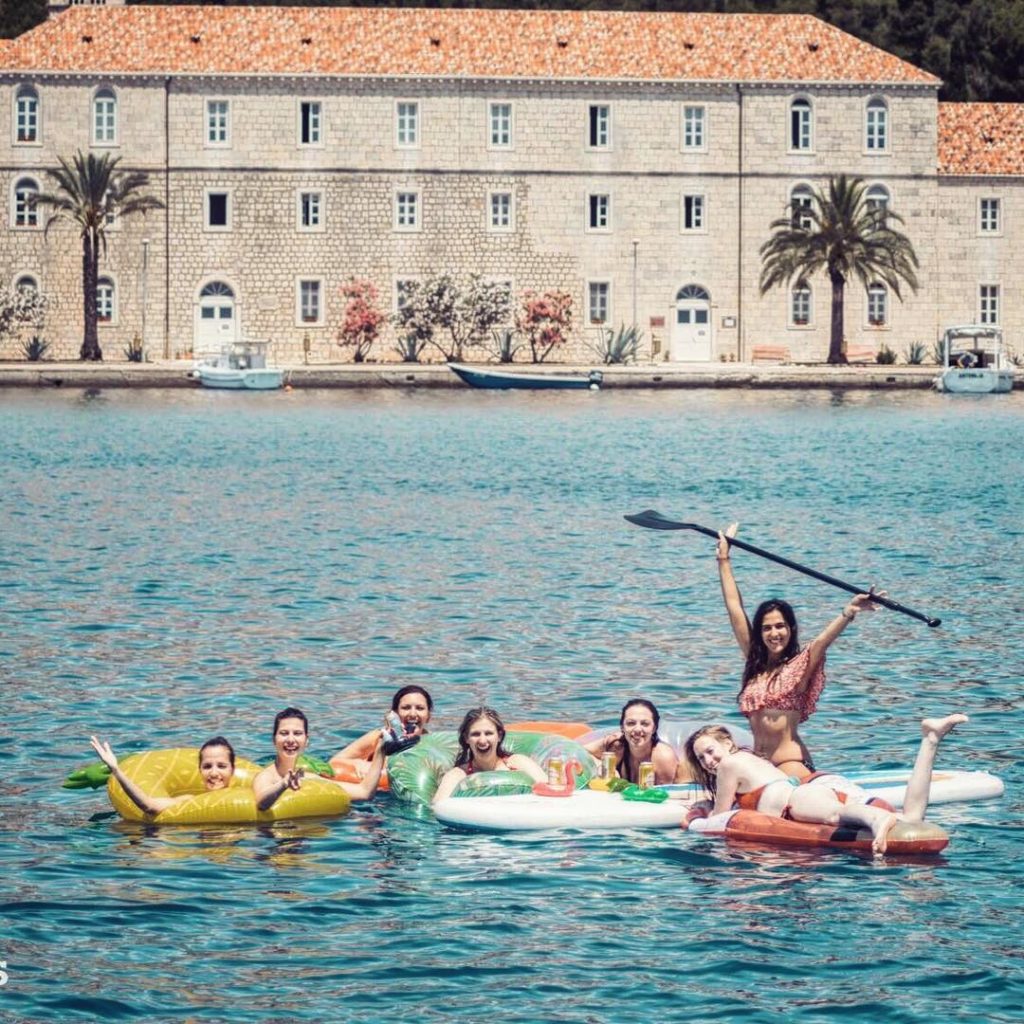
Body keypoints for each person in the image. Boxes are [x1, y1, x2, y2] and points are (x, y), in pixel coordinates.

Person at [717, 522, 883, 778]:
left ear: (791, 629)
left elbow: (821, 642)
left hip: (791, 764)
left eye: (781, 626)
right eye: (767, 628)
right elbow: (734, 607)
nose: (775, 633)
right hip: (759, 766)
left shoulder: (800, 666)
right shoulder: (755, 665)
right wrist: (724, 559)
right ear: (760, 634)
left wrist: (848, 612)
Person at [683, 713, 967, 854]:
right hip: (809, 794)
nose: (708, 760)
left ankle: (876, 819)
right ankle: (930, 740)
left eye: (710, 751)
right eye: (701, 758)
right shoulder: (750, 760)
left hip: (798, 800)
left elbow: (719, 818)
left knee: (835, 814)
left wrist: (697, 813)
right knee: (911, 818)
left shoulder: (730, 765)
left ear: (728, 743)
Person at [253, 707, 385, 811]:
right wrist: (283, 785)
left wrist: (380, 751)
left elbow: (364, 793)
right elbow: (261, 803)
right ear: (274, 739)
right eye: (284, 733)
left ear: (306, 740)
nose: (291, 740)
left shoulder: (310, 778)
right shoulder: (266, 776)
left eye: (298, 733)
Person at [89, 735, 236, 816]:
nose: (214, 773)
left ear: (232, 770)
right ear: (200, 770)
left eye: (221, 766)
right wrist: (116, 770)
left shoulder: (250, 796)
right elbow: (149, 805)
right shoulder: (190, 802)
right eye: (207, 766)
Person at [433, 707, 547, 804]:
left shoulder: (518, 763)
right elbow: (438, 807)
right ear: (466, 738)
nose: (482, 740)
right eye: (475, 734)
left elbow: (550, 792)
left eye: (488, 733)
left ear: (499, 736)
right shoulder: (458, 775)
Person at [329, 685, 433, 779]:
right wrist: (358, 763)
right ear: (395, 714)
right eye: (406, 708)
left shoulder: (435, 744)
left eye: (420, 708)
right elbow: (333, 763)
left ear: (428, 716)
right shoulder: (379, 737)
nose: (413, 713)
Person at [583, 699, 679, 785]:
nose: (637, 729)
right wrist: (600, 765)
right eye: (631, 723)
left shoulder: (662, 757)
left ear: (654, 728)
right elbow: (580, 751)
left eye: (645, 724)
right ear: (622, 727)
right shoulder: (615, 744)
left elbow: (667, 798)